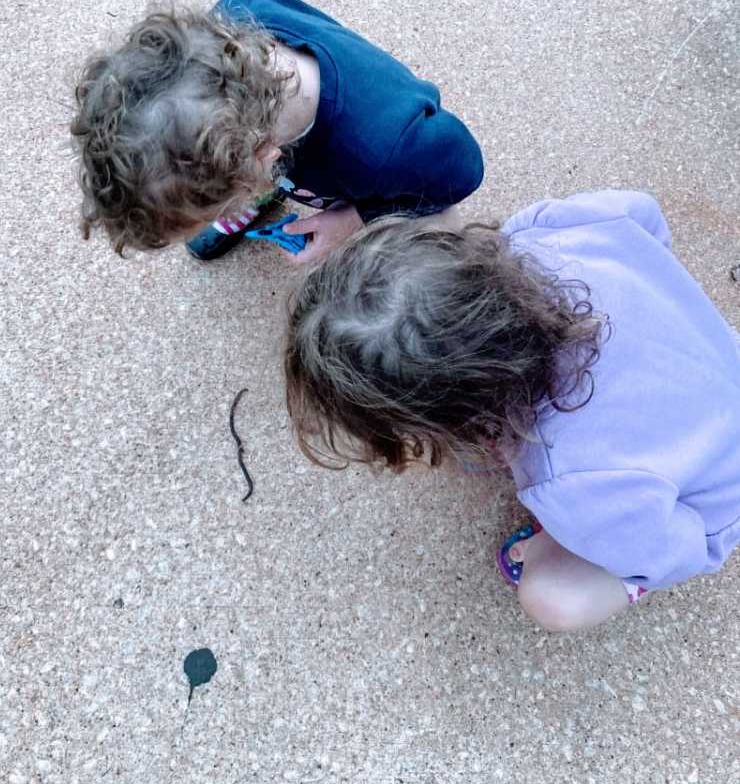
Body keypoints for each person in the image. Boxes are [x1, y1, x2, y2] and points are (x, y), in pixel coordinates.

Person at [284, 190, 740, 632]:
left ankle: (617, 575)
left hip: (713, 496)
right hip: (716, 363)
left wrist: (581, 543)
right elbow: (642, 211)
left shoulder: (572, 483)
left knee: (552, 598)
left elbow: (670, 550)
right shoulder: (540, 232)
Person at [70, 0, 483, 262]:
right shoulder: (238, 16)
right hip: (265, 140)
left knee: (426, 242)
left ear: (265, 156)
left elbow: (463, 174)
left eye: (230, 201)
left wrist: (353, 220)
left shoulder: (390, 148)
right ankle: (242, 191)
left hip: (371, 170)